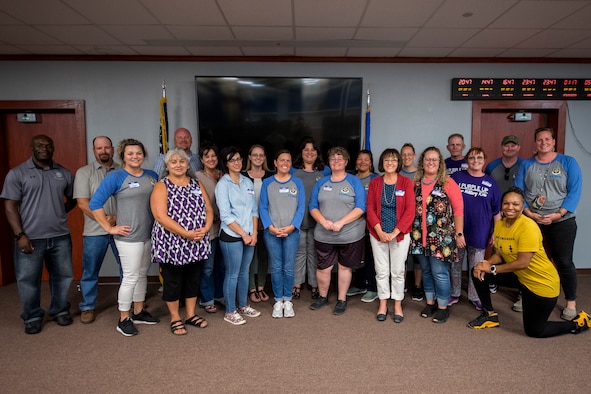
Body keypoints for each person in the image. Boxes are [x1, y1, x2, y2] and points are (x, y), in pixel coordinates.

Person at [468, 187, 590, 337]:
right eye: (506, 203)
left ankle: (578, 323)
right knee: (478, 271)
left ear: (522, 206)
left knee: (535, 331)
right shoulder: (500, 224)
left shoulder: (528, 227)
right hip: (521, 277)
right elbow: (500, 253)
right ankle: (489, 315)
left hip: (541, 284)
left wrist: (492, 269)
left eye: (515, 204)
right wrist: (485, 264)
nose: (510, 207)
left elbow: (523, 263)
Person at [1, 135, 76, 334]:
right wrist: (19, 235)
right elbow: (9, 207)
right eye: (39, 145)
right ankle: (32, 316)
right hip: (30, 237)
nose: (44, 148)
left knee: (63, 276)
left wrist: (58, 213)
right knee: (28, 278)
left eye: (48, 145)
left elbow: (73, 199)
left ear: (53, 148)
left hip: (60, 236)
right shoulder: (17, 173)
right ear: (31, 148)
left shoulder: (64, 173)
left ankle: (60, 310)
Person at [89, 138, 160, 337]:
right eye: (130, 153)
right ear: (122, 156)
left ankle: (138, 312)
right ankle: (123, 318)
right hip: (128, 237)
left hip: (149, 234)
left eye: (138, 153)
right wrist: (109, 228)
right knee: (130, 277)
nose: (135, 157)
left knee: (142, 274)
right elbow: (95, 204)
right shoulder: (117, 177)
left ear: (143, 155)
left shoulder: (152, 176)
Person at [515, 127, 582, 321]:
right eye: (539, 140)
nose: (543, 142)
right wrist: (528, 212)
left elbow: (574, 191)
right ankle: (524, 295)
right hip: (530, 220)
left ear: (553, 141)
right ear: (535, 143)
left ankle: (571, 302)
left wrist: (558, 214)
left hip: (562, 221)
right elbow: (518, 191)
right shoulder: (526, 164)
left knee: (564, 261)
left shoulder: (568, 162)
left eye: (547, 139)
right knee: (526, 259)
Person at [151, 148, 213, 335]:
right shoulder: (161, 186)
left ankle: (190, 315)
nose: (178, 165)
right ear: (167, 165)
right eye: (174, 162)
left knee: (193, 279)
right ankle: (175, 317)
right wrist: (185, 233)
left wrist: (206, 228)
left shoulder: (196, 184)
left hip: (196, 241)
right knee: (173, 281)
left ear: (188, 164)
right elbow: (160, 216)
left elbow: (209, 209)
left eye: (182, 161)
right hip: (172, 243)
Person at [309, 147, 366, 316]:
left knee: (344, 267)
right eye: (333, 159)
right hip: (324, 233)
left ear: (346, 162)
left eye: (340, 158)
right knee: (323, 268)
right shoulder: (321, 182)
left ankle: (341, 299)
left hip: (349, 234)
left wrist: (341, 222)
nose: (336, 161)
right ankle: (323, 296)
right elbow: (312, 206)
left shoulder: (354, 181)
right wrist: (323, 221)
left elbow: (361, 207)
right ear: (329, 162)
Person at [410, 146, 465, 323]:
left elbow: (458, 210)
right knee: (426, 271)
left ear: (440, 163)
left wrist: (459, 233)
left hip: (441, 238)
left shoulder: (448, 183)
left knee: (439, 272)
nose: (431, 162)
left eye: (434, 159)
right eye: (427, 159)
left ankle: (443, 306)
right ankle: (430, 302)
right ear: (422, 162)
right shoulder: (415, 183)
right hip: (420, 237)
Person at [74, 136, 121, 324]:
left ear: (113, 149)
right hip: (95, 230)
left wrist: (115, 220)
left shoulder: (123, 171)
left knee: (127, 268)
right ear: (94, 151)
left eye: (107, 147)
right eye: (99, 148)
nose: (103, 151)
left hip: (121, 228)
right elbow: (83, 203)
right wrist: (104, 221)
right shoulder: (84, 172)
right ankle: (88, 306)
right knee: (90, 271)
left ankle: (131, 302)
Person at [366, 148, 415, 323]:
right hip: (377, 232)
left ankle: (397, 305)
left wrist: (395, 232)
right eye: (387, 160)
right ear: (382, 162)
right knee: (381, 271)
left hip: (399, 234)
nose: (390, 163)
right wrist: (379, 231)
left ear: (399, 162)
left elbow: (410, 210)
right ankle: (382, 303)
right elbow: (370, 208)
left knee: (397, 272)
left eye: (394, 160)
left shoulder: (406, 183)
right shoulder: (375, 183)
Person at [451, 147, 501, 310]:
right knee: (455, 264)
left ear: (484, 159)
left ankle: (475, 295)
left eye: (479, 157)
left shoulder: (491, 183)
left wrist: (497, 232)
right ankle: (455, 293)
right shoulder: (457, 177)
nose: (475, 160)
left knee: (477, 265)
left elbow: (496, 211)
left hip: (480, 230)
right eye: (472, 157)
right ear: (467, 160)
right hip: (457, 229)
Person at [215, 146, 261, 325]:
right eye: (232, 160)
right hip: (232, 235)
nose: (237, 162)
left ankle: (242, 306)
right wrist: (243, 234)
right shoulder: (223, 185)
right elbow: (225, 216)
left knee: (244, 272)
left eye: (239, 159)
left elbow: (254, 210)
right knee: (232, 273)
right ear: (226, 163)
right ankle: (230, 311)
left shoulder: (247, 182)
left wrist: (254, 233)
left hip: (250, 235)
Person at [260, 149, 305, 318]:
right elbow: (263, 207)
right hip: (272, 232)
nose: (285, 163)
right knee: (276, 267)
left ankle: (288, 300)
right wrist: (270, 227)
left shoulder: (297, 182)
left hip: (291, 232)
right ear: (275, 163)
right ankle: (278, 301)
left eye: (288, 160)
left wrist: (292, 226)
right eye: (282, 160)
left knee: (288, 267)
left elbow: (301, 208)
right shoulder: (267, 183)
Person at [484, 135, 524, 306]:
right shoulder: (492, 166)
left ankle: (522, 289)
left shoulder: (524, 165)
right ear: (502, 147)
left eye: (513, 146)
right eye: (506, 146)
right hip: (497, 213)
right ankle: (493, 280)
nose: (509, 148)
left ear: (518, 148)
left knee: (519, 250)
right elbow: (485, 187)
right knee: (496, 247)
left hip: (518, 214)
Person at [291, 136, 331, 300]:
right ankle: (297, 284)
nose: (309, 152)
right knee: (299, 253)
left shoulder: (326, 171)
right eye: (306, 149)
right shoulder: (293, 171)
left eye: (313, 149)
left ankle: (315, 285)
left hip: (319, 221)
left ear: (317, 153)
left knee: (315, 254)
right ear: (301, 152)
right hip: (298, 221)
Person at [241, 144, 273, 304]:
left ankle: (261, 286)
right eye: (255, 155)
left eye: (261, 155)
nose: (258, 157)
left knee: (263, 256)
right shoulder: (241, 176)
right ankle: (251, 288)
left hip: (267, 223)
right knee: (250, 258)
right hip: (247, 224)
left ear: (265, 157)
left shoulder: (271, 176)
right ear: (250, 157)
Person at [347, 149, 379, 303]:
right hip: (353, 224)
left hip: (371, 224)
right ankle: (359, 284)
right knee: (357, 256)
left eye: (366, 159)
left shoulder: (376, 179)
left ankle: (373, 288)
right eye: (360, 159)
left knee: (371, 257)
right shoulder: (350, 179)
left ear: (371, 163)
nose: (362, 162)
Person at [195, 143, 224, 313]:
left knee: (222, 265)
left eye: (213, 156)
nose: (211, 159)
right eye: (207, 156)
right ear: (201, 159)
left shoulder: (223, 175)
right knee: (208, 267)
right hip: (208, 229)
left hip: (226, 228)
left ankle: (220, 295)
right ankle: (207, 299)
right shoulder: (197, 177)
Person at [400, 142, 423, 301]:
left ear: (414, 156)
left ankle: (417, 286)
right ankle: (401, 285)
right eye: (404, 154)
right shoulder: (397, 174)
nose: (407, 157)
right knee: (401, 255)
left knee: (417, 255)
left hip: (419, 221)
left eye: (409, 154)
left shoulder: (421, 174)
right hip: (400, 220)